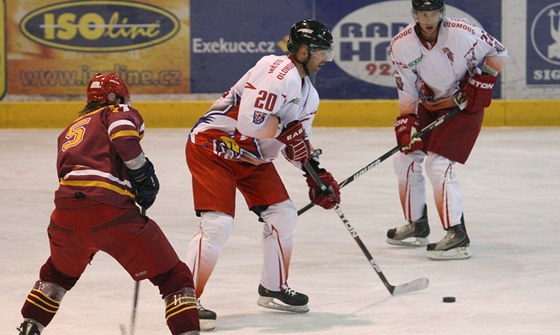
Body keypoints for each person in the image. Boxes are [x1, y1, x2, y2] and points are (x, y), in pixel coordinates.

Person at [184, 19, 341, 330]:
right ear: (303, 50)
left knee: (284, 215)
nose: (326, 59)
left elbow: (294, 144)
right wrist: (285, 131)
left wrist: (315, 174)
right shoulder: (275, 74)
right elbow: (249, 123)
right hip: (213, 147)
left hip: (252, 159)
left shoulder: (309, 95)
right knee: (218, 225)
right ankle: (183, 299)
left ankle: (273, 287)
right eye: (322, 51)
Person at [17, 73, 200, 335]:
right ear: (116, 98)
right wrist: (141, 173)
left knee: (56, 276)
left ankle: (29, 327)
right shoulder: (116, 111)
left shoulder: (70, 129)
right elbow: (123, 137)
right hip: (110, 212)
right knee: (174, 278)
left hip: (65, 216)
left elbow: (71, 174)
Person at [386, 0, 508, 260]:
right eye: (422, 13)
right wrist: (407, 121)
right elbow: (407, 88)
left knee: (438, 165)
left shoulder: (462, 32)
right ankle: (418, 224)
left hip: (463, 105)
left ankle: (457, 235)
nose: (428, 18)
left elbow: (498, 52)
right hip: (431, 104)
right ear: (415, 14)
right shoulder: (401, 44)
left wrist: (482, 81)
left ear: (442, 13)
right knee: (404, 157)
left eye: (433, 12)